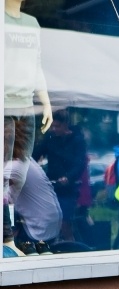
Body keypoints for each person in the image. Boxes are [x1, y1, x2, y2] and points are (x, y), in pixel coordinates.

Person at [4, 0, 52, 255]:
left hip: (25, 107)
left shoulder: (31, 24)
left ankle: (9, 234)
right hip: (4, 106)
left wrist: (45, 102)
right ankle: (6, 239)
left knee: (18, 177)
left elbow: (36, 65)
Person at [32, 110, 87, 242]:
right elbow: (36, 155)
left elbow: (80, 164)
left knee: (65, 223)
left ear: (66, 124)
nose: (54, 129)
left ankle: (70, 244)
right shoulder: (50, 138)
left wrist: (68, 178)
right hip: (51, 187)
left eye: (57, 126)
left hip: (68, 189)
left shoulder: (77, 141)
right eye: (52, 126)